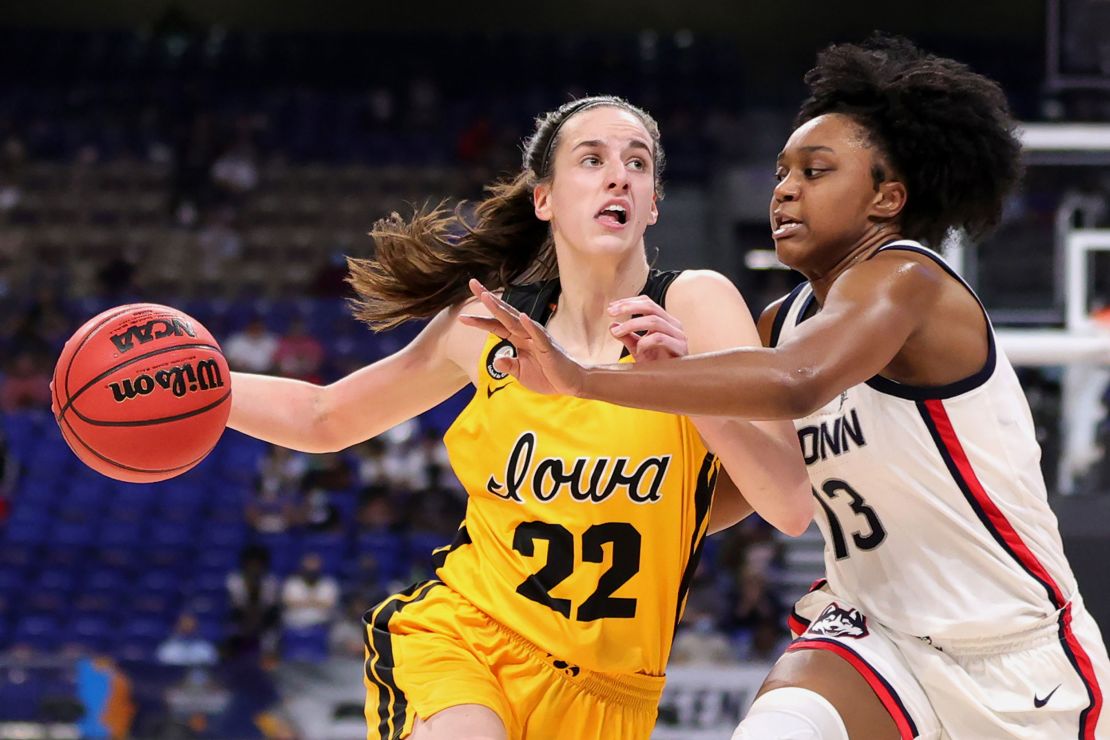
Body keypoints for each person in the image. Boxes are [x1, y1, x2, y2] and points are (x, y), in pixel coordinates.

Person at [467, 39, 1110, 739]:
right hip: (874, 637)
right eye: (781, 172)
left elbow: (798, 384)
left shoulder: (910, 281)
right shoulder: (786, 321)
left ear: (886, 198)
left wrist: (588, 380)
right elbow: (737, 491)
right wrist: (564, 500)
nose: (785, 188)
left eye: (816, 170)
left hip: (1012, 657)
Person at [226, 95, 812, 739]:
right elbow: (324, 415)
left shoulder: (697, 305)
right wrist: (207, 387)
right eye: (591, 159)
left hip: (612, 693)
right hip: (469, 638)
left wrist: (683, 386)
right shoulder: (489, 326)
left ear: (653, 204)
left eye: (637, 163)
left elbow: (787, 504)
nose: (619, 174)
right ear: (545, 199)